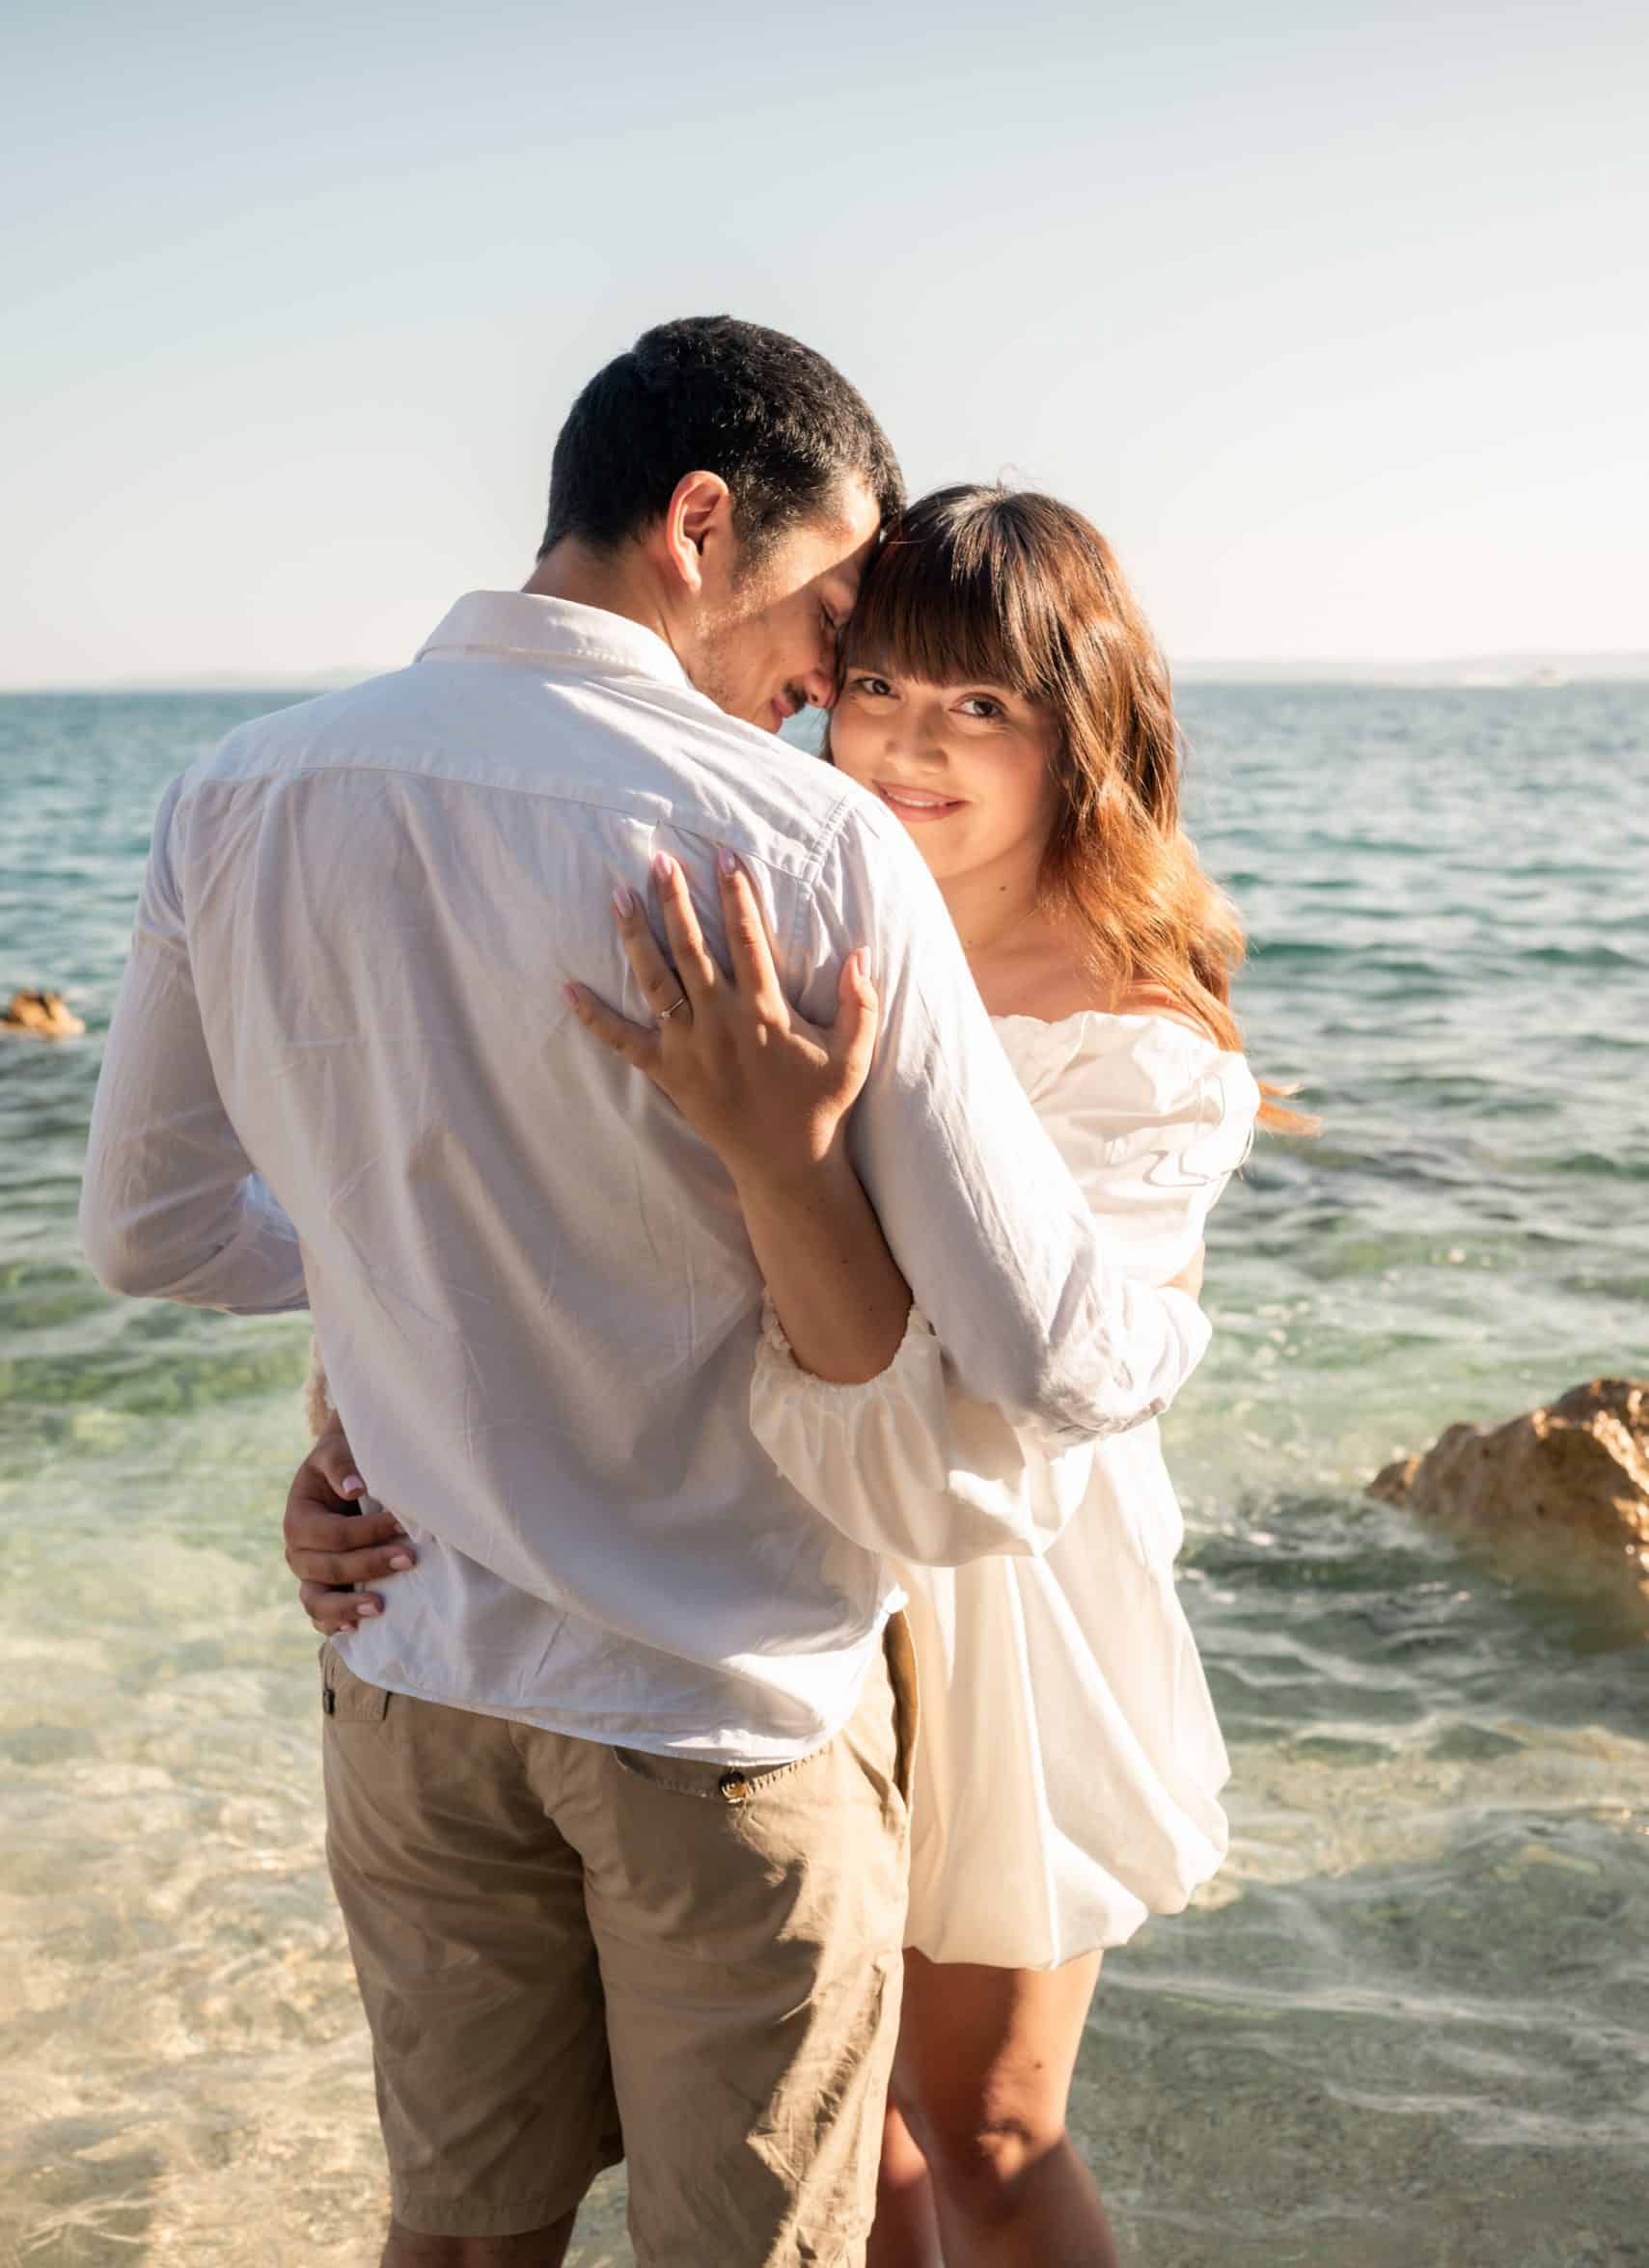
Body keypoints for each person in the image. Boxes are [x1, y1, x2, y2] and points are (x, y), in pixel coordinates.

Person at [80, 323, 1213, 2268]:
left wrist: (396, 1315)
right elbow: (1048, 1343)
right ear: (704, 523)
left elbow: (159, 1233)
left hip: (433, 1666)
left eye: (958, 695)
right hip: (725, 1679)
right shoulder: (792, 844)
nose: (831, 693)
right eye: (843, 630)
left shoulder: (235, 792)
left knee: (464, 2227)